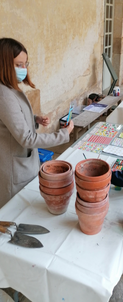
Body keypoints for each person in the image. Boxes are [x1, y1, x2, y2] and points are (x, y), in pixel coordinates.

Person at [0, 38, 74, 207]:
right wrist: (63, 134)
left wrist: (35, 119)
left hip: (25, 163)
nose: (24, 69)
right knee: (17, 211)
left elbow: (12, 121)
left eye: (25, 64)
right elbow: (27, 139)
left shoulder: (11, 88)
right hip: (15, 170)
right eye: (19, 65)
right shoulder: (3, 95)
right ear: (4, 64)